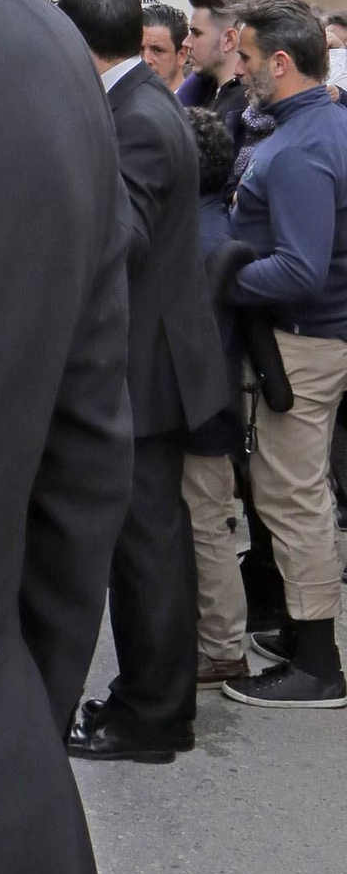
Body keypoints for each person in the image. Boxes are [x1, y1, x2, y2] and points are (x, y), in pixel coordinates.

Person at [58, 0, 230, 765]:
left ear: (74, 40)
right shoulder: (137, 102)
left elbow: (120, 243)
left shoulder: (135, 119)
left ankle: (153, 715)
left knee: (146, 550)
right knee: (147, 544)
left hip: (145, 366)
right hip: (151, 359)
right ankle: (152, 703)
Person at [219, 0, 347, 711]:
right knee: (293, 493)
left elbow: (299, 268)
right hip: (310, 336)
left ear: (280, 61)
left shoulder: (302, 145)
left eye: (245, 57)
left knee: (294, 498)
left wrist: (216, 278)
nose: (237, 69)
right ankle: (303, 636)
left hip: (303, 340)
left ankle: (319, 664)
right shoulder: (320, 126)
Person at [182, 108, 251, 689]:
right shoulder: (210, 225)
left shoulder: (201, 239)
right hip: (212, 402)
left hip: (204, 407)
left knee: (206, 523)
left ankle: (224, 646)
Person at [178, 0, 254, 143]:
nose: (186, 42)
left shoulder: (245, 108)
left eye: (196, 33)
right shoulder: (201, 90)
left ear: (229, 39)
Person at [141, 2, 189, 90]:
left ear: (182, 55)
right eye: (140, 50)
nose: (146, 60)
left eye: (157, 50)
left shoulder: (200, 98)